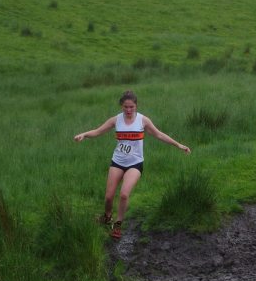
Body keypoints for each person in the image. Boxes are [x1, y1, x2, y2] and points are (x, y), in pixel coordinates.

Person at [74, 90, 191, 239]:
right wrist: (84, 134)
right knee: (109, 197)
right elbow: (97, 131)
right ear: (121, 107)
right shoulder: (116, 120)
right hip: (117, 162)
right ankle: (107, 217)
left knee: (123, 194)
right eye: (125, 107)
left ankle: (117, 225)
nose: (128, 110)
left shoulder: (143, 120)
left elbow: (159, 134)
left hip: (135, 163)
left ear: (136, 106)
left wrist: (178, 145)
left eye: (131, 107)